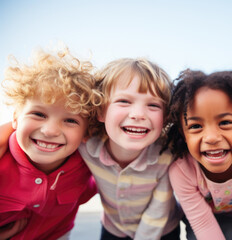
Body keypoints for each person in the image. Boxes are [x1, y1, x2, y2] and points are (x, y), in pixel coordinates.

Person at [0, 47, 101, 239]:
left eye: (71, 120)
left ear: (87, 133)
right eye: (39, 114)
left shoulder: (88, 165)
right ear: (15, 118)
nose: (50, 131)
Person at [77, 58, 181, 240]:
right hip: (113, 228)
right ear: (101, 111)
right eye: (124, 101)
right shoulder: (87, 146)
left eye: (153, 105)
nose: (138, 114)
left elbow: (158, 211)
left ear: (164, 118)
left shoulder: (165, 155)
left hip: (162, 230)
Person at [164, 70, 232, 240]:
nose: (212, 138)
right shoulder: (182, 171)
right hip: (198, 218)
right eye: (195, 126)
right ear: (184, 134)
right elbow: (201, 222)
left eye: (225, 123)